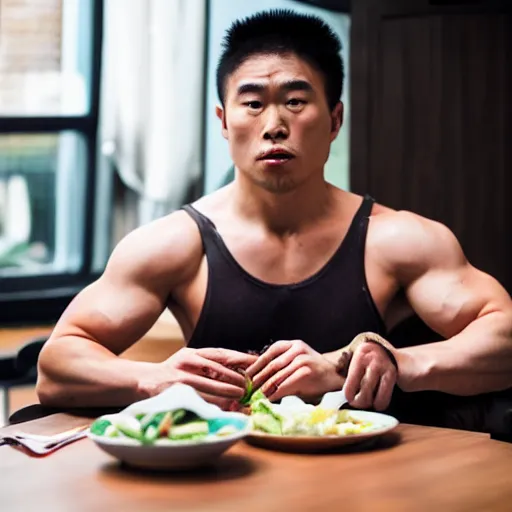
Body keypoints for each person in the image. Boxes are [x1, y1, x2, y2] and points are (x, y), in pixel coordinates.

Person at [37, 10, 512, 426]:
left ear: (334, 121)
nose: (274, 125)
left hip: (367, 487)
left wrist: (378, 363)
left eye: (295, 101)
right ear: (224, 122)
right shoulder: (174, 244)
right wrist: (154, 378)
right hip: (225, 481)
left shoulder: (398, 240)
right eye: (253, 103)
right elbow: (56, 366)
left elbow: (504, 337)